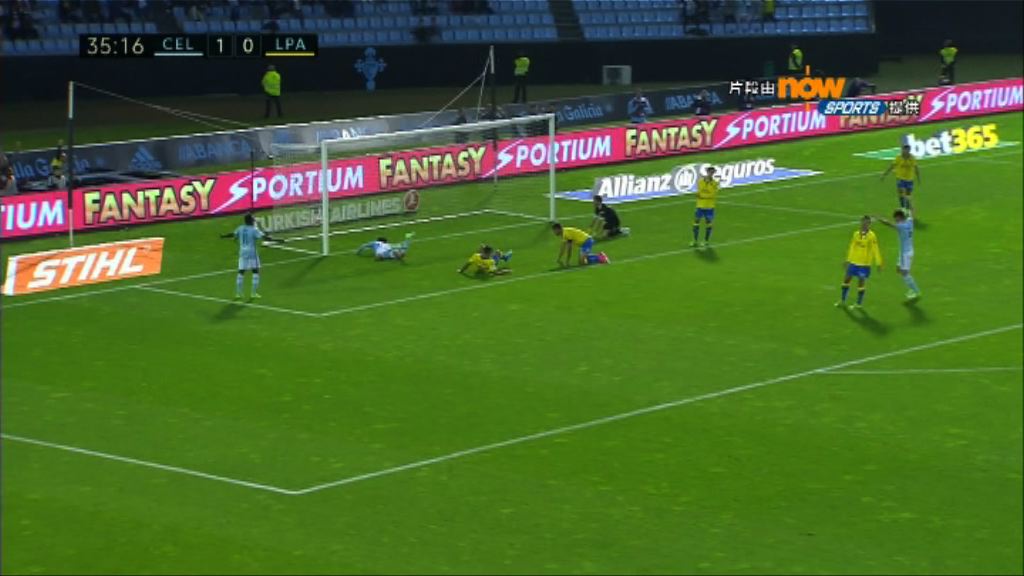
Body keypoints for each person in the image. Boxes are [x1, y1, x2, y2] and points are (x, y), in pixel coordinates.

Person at [220, 213, 279, 300]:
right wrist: (276, 240)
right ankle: (253, 293)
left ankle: (238, 293)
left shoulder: (240, 228)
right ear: (251, 221)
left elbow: (233, 234)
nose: (254, 221)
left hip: (243, 253)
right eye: (253, 219)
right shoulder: (254, 229)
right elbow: (264, 237)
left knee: (241, 272)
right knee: (255, 271)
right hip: (252, 253)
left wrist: (223, 236)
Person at [835, 216, 883, 309]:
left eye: (867, 223)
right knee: (846, 279)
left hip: (864, 264)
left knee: (861, 282)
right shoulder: (856, 234)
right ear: (861, 222)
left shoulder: (872, 236)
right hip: (854, 262)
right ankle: (842, 300)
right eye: (863, 222)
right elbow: (852, 248)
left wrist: (879, 263)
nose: (864, 224)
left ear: (869, 224)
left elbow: (875, 249)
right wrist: (847, 260)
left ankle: (858, 303)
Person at [873, 210, 921, 301]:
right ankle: (912, 288)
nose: (895, 220)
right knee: (899, 269)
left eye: (896, 219)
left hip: (905, 253)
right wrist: (911, 205)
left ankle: (915, 291)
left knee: (904, 273)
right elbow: (913, 214)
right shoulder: (909, 221)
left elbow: (888, 223)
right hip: (907, 251)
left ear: (899, 217)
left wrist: (879, 218)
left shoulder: (901, 226)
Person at [880, 144, 921, 217]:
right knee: (902, 193)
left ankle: (907, 209)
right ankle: (903, 208)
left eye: (907, 150)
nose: (905, 151)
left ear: (909, 150)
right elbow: (892, 166)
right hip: (900, 178)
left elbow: (916, 167)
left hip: (909, 179)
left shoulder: (912, 158)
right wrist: (885, 174)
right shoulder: (898, 158)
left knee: (908, 195)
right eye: (904, 150)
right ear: (903, 150)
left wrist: (918, 178)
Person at [691, 165, 719, 248]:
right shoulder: (700, 182)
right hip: (700, 206)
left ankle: (706, 241)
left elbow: (712, 195)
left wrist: (702, 196)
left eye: (712, 172)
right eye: (710, 172)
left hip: (709, 207)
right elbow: (698, 192)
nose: (711, 174)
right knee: (696, 222)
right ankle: (695, 240)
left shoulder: (715, 183)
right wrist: (701, 195)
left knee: (708, 223)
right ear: (707, 172)